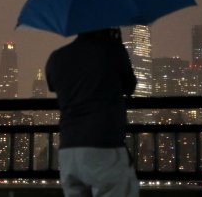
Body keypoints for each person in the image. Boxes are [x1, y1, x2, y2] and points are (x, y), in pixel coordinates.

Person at [45, 28, 139, 197]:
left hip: (69, 150)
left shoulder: (56, 57)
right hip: (103, 145)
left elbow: (53, 85)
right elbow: (130, 86)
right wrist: (117, 45)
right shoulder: (112, 51)